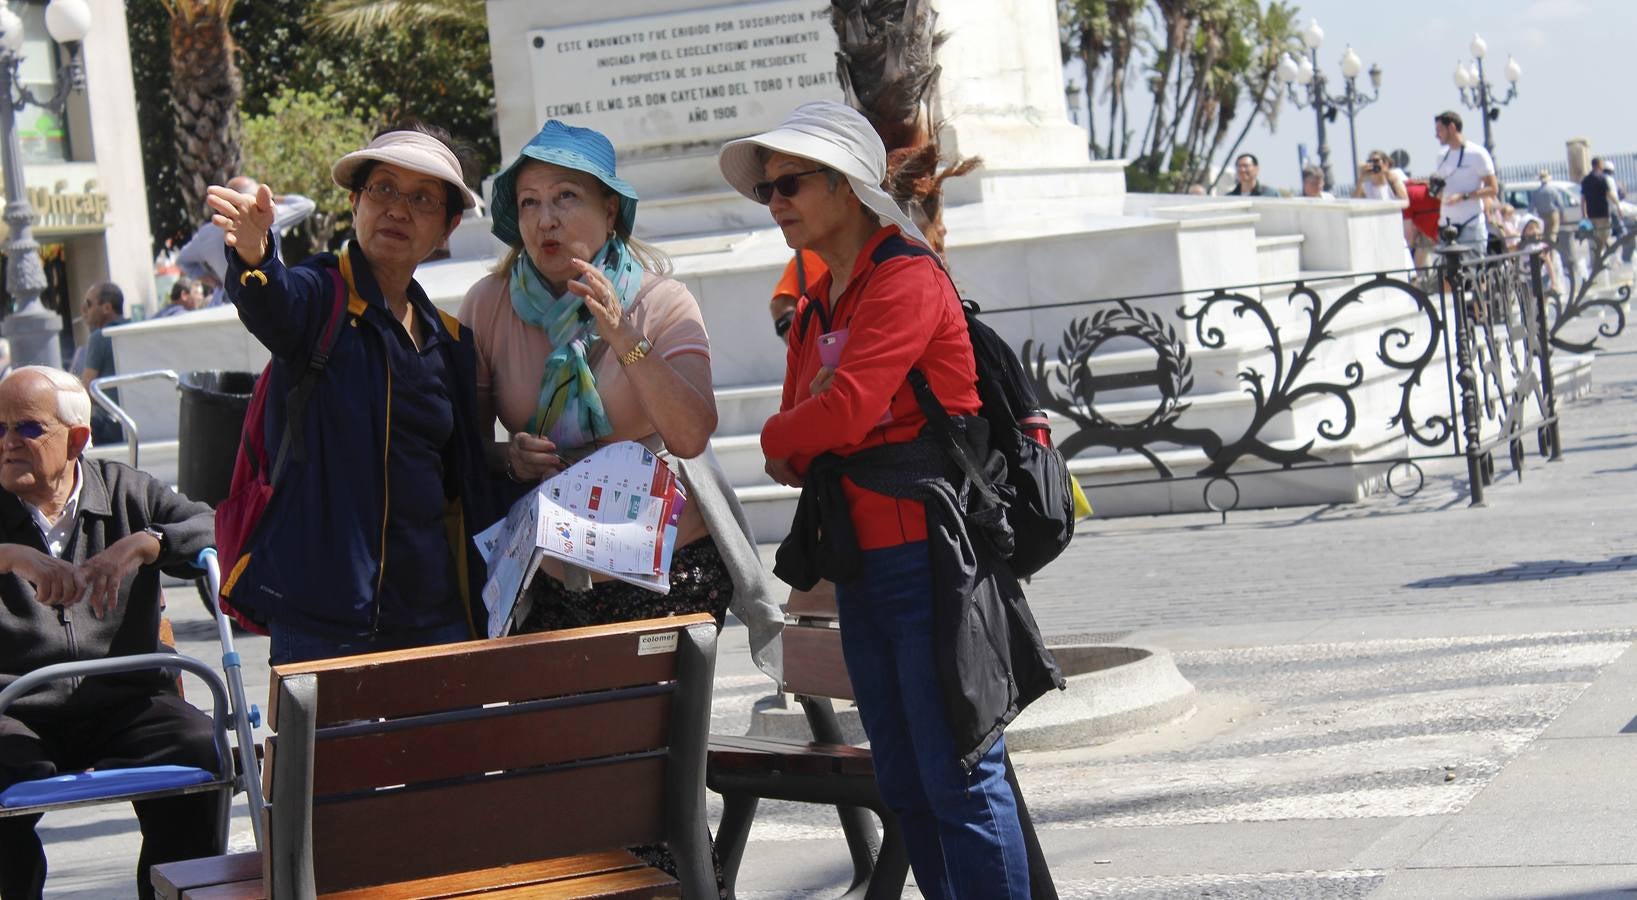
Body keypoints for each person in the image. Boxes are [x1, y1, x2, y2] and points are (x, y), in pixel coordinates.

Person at [719, 100, 1062, 899]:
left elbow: (822, 419)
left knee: (959, 777)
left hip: (931, 556)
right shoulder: (817, 305)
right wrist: (810, 429)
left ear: (844, 187)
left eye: (789, 184)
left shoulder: (904, 276)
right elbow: (809, 438)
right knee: (907, 785)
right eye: (767, 190)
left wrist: (801, 429)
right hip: (861, 566)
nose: (774, 203)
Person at [458, 119, 781, 665]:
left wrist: (623, 334)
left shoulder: (663, 302)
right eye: (530, 202)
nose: (547, 219)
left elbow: (690, 433)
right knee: (566, 742)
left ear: (610, 211)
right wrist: (510, 457)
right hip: (550, 570)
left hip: (669, 561)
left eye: (566, 197)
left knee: (654, 743)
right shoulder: (488, 304)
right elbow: (464, 449)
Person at [206, 123, 496, 665]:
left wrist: (511, 459)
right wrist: (254, 253)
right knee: (328, 754)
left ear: (448, 226)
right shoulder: (320, 296)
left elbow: (461, 476)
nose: (397, 209)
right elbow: (275, 302)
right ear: (355, 201)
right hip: (323, 613)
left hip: (435, 612)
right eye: (382, 189)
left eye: (421, 199)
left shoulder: (453, 342)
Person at [0, 366, 219, 900]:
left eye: (26, 429)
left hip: (127, 700)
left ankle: (174, 892)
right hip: (15, 707)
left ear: (76, 439)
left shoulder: (126, 490)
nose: (7, 443)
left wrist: (144, 544)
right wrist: (10, 557)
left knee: (200, 749)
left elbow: (217, 526)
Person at [177, 175, 315, 307]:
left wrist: (210, 280)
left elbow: (182, 260)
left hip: (231, 305)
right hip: (276, 298)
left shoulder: (207, 234)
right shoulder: (270, 218)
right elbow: (307, 205)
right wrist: (271, 199)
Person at [1430, 110, 1497, 250]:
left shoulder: (1477, 153)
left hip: (1470, 225)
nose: (1436, 135)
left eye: (1439, 130)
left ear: (1452, 127)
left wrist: (1463, 196)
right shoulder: (1441, 156)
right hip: (1446, 226)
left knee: (1473, 269)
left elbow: (1493, 189)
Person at [77, 282, 127, 446]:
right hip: (134, 420)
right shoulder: (134, 329)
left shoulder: (100, 337)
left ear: (106, 308)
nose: (84, 310)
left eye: (89, 304)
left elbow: (87, 393)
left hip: (111, 425)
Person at [1580, 157, 1618, 256]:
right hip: (1602, 212)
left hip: (1591, 213)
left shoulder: (1586, 180)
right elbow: (1608, 193)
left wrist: (1584, 213)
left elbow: (1583, 199)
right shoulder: (1602, 178)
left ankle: (1600, 253)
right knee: (1604, 234)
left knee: (1596, 235)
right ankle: (1602, 254)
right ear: (1598, 165)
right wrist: (1617, 205)